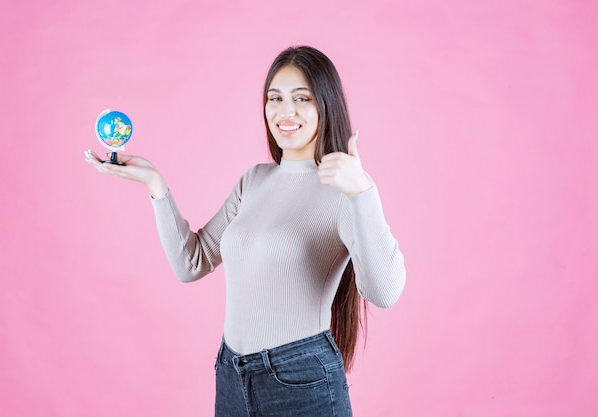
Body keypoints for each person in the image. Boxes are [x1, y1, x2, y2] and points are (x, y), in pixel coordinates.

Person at [84, 45, 406, 417]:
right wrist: (155, 184)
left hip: (300, 379)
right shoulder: (254, 180)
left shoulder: (345, 189)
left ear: (326, 104)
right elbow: (192, 262)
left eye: (301, 98)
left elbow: (385, 292)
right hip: (231, 373)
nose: (285, 111)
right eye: (275, 98)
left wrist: (362, 192)